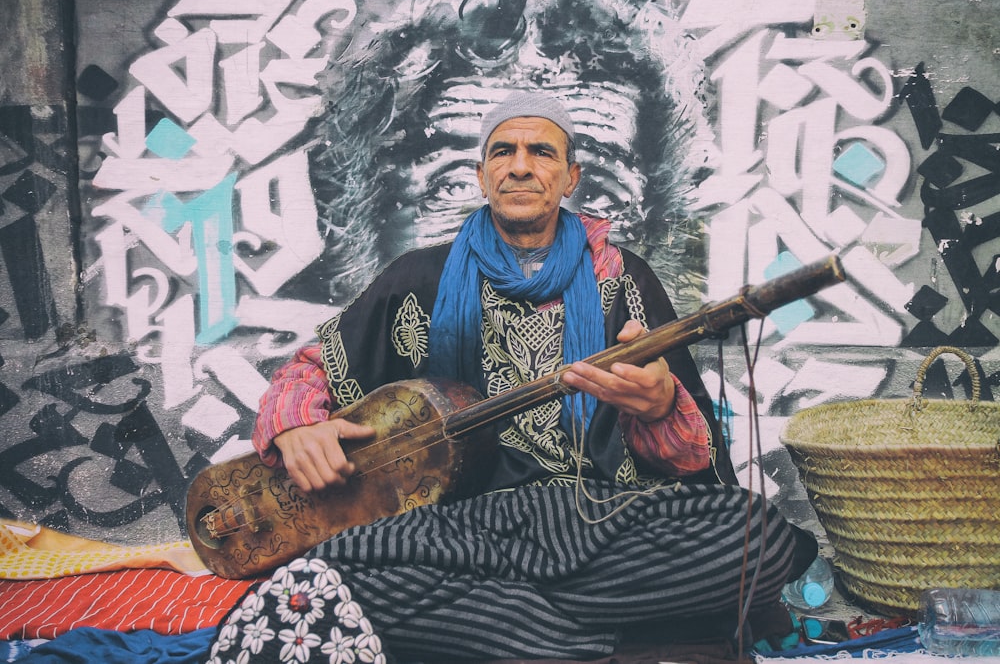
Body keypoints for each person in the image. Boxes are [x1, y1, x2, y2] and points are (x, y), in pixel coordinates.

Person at [203, 92, 814, 664]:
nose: (520, 167)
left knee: (755, 535)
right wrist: (295, 429)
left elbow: (690, 460)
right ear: (482, 174)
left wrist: (658, 408)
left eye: (541, 152)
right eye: (503, 151)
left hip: (600, 522)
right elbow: (310, 370)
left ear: (570, 177)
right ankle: (591, 637)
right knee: (342, 561)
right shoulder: (416, 278)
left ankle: (517, 633)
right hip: (455, 530)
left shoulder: (626, 282)